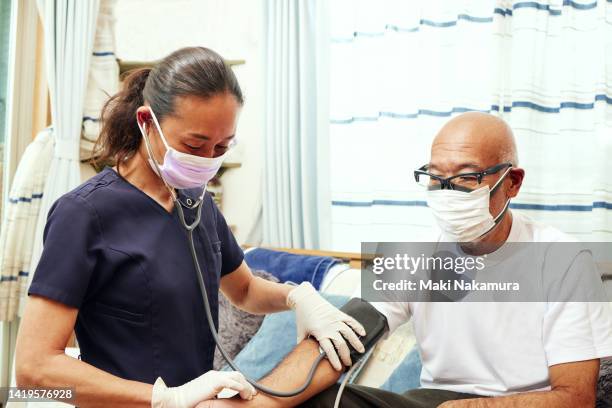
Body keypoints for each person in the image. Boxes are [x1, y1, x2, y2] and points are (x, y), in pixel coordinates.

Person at [15, 46, 365, 408]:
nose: (206, 160)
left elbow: (243, 290)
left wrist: (297, 296)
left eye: (221, 147)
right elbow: (33, 371)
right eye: (194, 144)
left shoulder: (197, 204)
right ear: (146, 121)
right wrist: (163, 398)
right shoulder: (83, 214)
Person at [196, 112, 612, 408]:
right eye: (435, 178)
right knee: (312, 400)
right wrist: (259, 402)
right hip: (429, 402)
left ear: (512, 183)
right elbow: (344, 336)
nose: (447, 193)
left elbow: (575, 398)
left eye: (466, 178)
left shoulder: (562, 260)